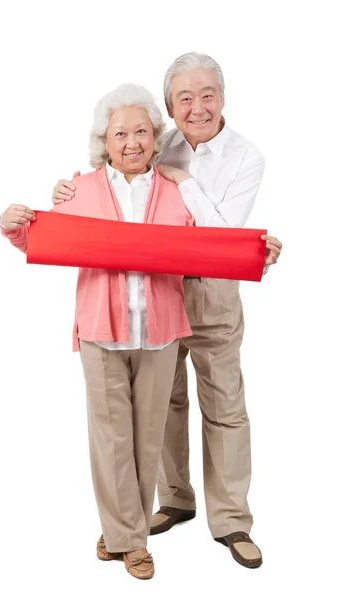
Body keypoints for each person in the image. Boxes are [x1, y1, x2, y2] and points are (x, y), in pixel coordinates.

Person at [52, 52, 282, 570]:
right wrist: (62, 193)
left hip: (215, 292)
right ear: (169, 108)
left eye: (207, 95)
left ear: (223, 98)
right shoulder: (162, 139)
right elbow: (116, 184)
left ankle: (231, 520)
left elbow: (222, 235)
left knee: (223, 404)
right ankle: (176, 498)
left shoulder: (247, 156)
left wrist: (187, 185)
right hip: (162, 293)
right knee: (166, 404)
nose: (197, 107)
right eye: (184, 97)